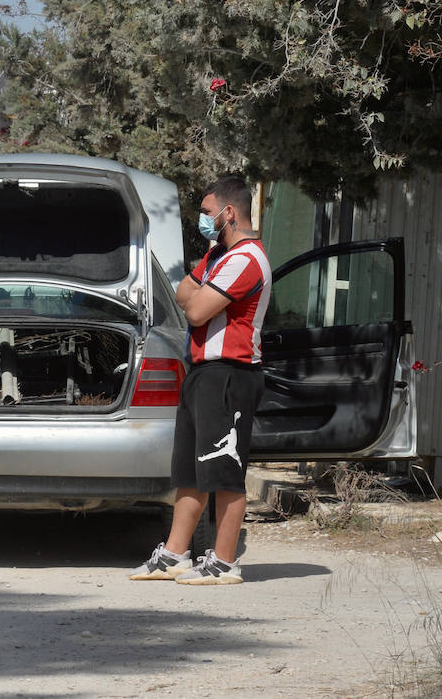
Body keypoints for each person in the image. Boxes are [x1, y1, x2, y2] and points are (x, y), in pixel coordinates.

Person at [130, 175, 271, 586]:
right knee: (190, 474)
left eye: (208, 214)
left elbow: (195, 311)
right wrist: (207, 273)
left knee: (224, 471)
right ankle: (175, 556)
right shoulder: (219, 257)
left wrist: (202, 297)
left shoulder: (246, 258)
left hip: (230, 374)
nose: (203, 222)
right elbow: (182, 294)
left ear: (230, 213)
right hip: (202, 373)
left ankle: (224, 562)